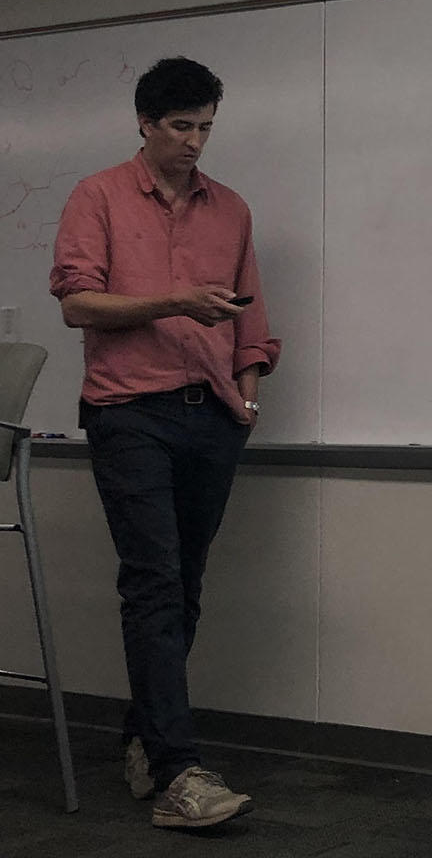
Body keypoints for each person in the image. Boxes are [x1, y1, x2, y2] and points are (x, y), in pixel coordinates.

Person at [48, 56, 280, 829]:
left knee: (183, 588)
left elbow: (251, 312)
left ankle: (148, 737)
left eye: (206, 127)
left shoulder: (231, 209)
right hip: (129, 412)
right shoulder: (99, 196)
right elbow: (79, 303)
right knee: (152, 581)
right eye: (181, 126)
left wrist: (250, 391)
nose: (194, 142)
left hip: (211, 414)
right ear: (145, 123)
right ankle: (181, 773)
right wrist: (175, 300)